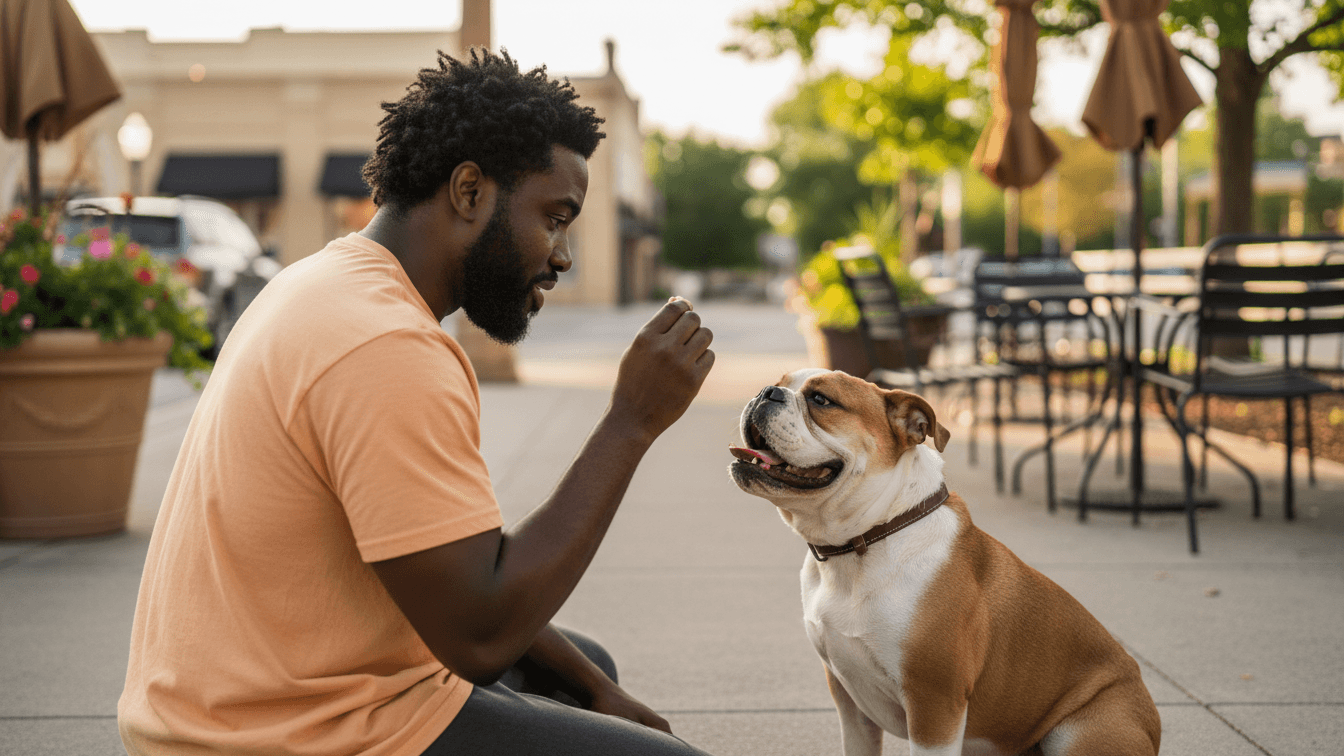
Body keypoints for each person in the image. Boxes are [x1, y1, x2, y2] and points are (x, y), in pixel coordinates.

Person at [118, 49, 716, 756]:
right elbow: (481, 636)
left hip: (219, 703)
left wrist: (593, 689)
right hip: (271, 733)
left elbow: (449, 557)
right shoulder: (384, 344)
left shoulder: (326, 283)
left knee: (585, 671)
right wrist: (630, 423)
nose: (562, 255)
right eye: (554, 218)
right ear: (469, 191)